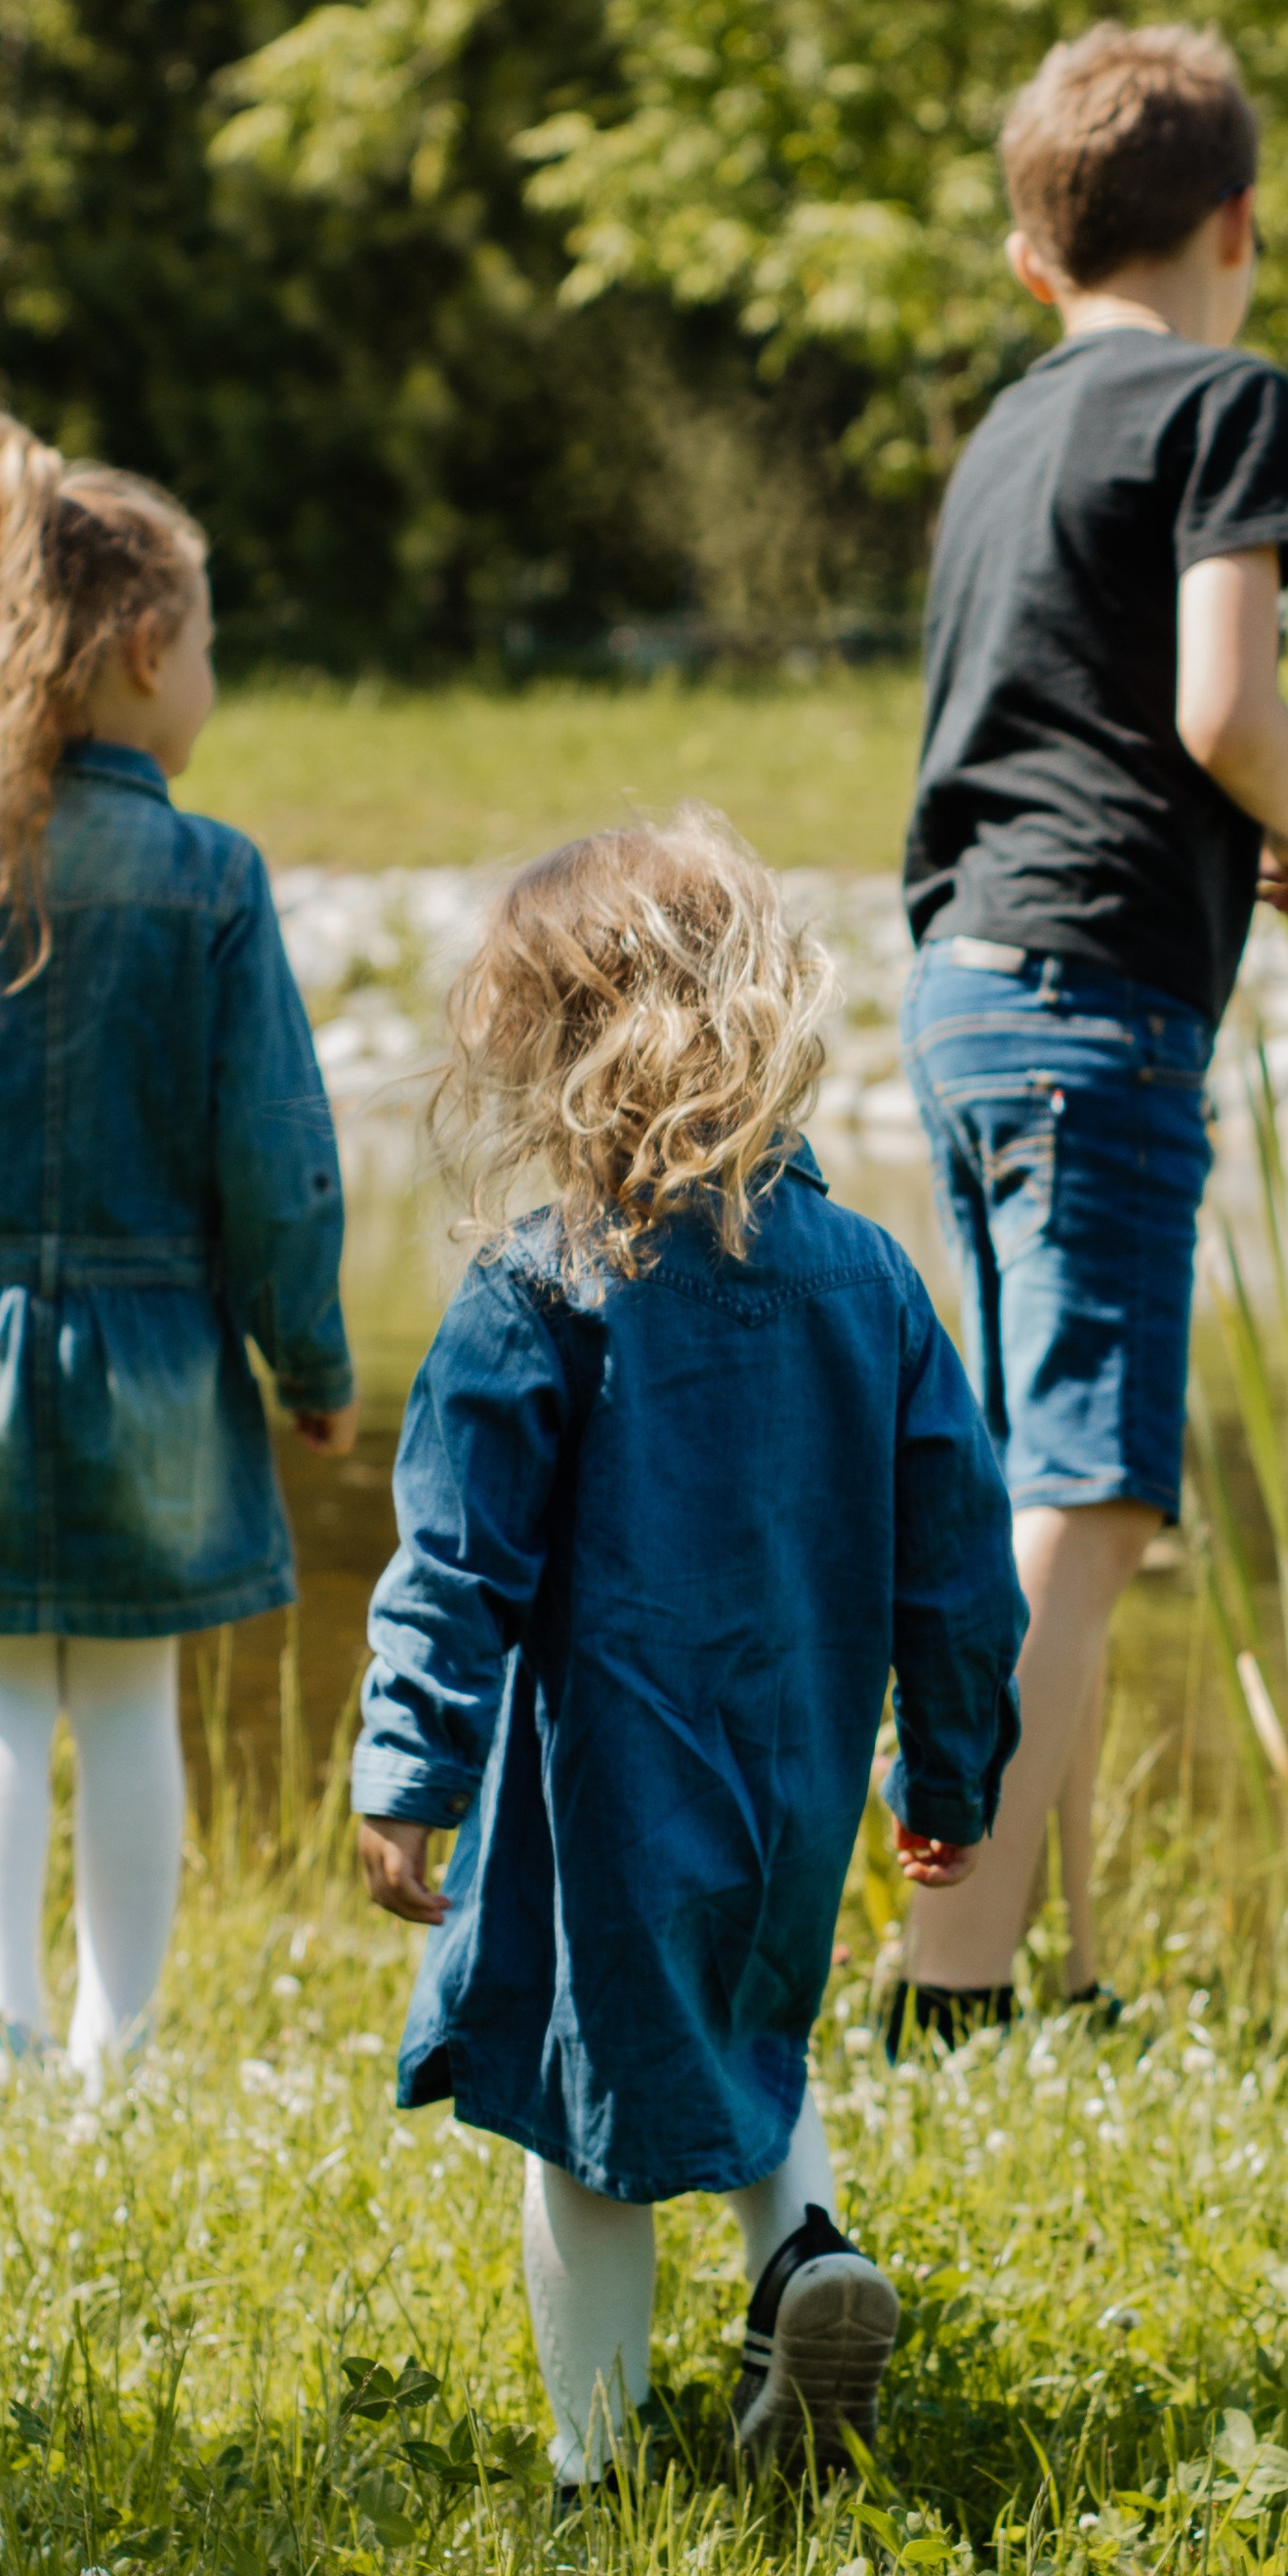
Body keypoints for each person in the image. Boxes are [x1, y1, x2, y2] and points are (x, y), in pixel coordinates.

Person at [352, 814, 1022, 2490]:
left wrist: (407, 1767)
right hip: (794, 1781)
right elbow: (962, 1565)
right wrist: (945, 1769)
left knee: (590, 2108)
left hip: (610, 1787)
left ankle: (595, 2460)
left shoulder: (545, 1288)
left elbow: (456, 1558)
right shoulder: (870, 1278)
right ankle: (805, 2255)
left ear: (559, 1058)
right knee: (746, 2028)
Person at [894, 19, 1288, 2042]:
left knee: (1042, 1488)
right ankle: (947, 1982)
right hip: (1095, 1003)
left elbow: (1067, 720)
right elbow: (1215, 708)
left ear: (1033, 260)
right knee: (1091, 1502)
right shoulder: (1223, 403)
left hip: (957, 986)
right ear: (1238, 224)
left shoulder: (1004, 433)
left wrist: (1264, 817)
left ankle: (1060, 1961)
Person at [0, 408, 354, 2089]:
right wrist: (309, 1354)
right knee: (129, 1703)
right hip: (156, 1359)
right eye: (206, 649)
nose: (210, 685)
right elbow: (273, 1153)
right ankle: (121, 2043)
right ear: (137, 652)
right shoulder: (212, 878)